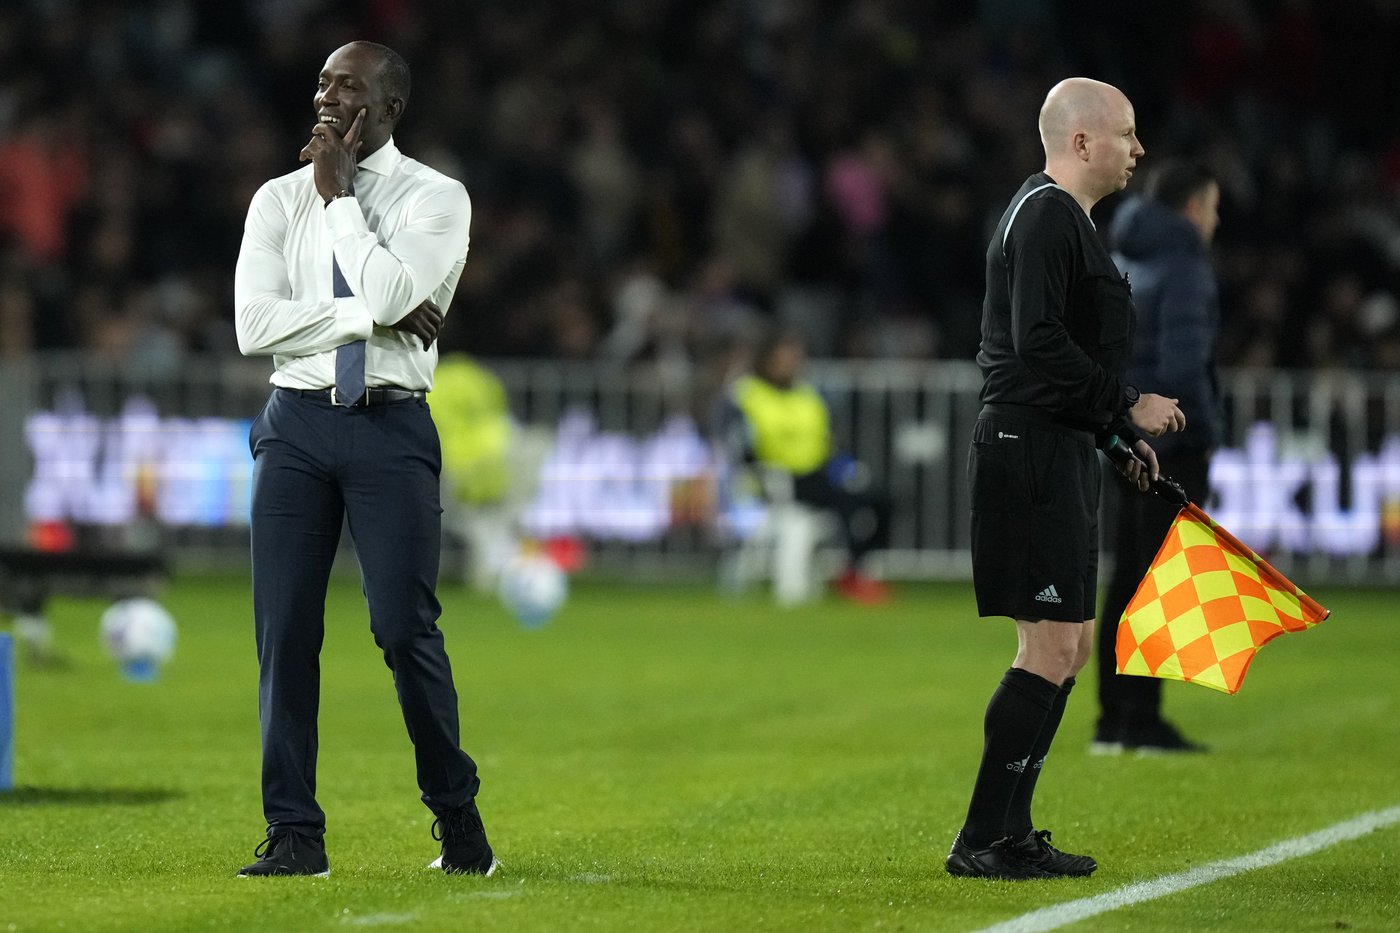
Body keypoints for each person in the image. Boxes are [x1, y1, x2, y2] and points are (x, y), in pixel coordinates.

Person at [233, 41, 496, 878]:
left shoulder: (437, 197)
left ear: (387, 108)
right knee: (284, 633)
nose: (325, 96)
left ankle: (458, 817)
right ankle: (295, 835)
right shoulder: (275, 200)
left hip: (390, 428)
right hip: (296, 424)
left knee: (402, 628)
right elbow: (253, 328)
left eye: (347, 86)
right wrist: (360, 320)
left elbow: (385, 294)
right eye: (320, 82)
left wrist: (343, 196)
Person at [946, 78, 1185, 881]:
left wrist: (1112, 437)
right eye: (1126, 133)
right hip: (1028, 448)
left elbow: (1052, 353)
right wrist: (1125, 404)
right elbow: (1039, 343)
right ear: (1081, 142)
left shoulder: (1060, 217)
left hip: (1054, 445)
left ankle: (1008, 831)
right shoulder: (1046, 214)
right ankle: (984, 836)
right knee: (1049, 645)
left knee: (1069, 646)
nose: (1137, 150)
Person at [1094, 160, 1223, 754]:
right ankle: (1141, 721)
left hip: (1122, 433)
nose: (1215, 219)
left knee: (1127, 573)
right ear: (1193, 208)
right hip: (1171, 439)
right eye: (1214, 206)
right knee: (1159, 582)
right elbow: (1183, 366)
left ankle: (1114, 719)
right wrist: (1199, 432)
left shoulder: (1120, 256)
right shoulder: (1185, 267)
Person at [722, 326, 893, 604]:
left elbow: (829, 442)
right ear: (767, 360)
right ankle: (850, 574)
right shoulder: (747, 394)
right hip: (777, 482)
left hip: (817, 475)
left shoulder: (808, 395)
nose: (793, 364)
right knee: (847, 507)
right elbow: (739, 448)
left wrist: (848, 470)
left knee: (881, 498)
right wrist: (763, 477)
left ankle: (853, 569)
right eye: (785, 358)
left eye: (796, 358)